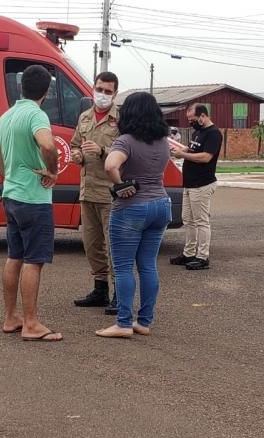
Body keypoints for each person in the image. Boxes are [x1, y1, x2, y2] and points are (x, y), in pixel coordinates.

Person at [0, 65, 63, 342]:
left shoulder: (9, 114)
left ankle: (10, 317)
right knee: (33, 261)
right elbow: (48, 146)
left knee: (14, 256)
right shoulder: (35, 115)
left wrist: (8, 173)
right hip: (34, 199)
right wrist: (52, 171)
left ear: (21, 87)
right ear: (47, 92)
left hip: (11, 195)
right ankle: (31, 324)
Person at [95, 92, 172, 339]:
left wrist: (121, 185)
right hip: (161, 204)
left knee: (123, 267)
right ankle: (144, 321)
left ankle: (124, 322)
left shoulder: (125, 141)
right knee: (148, 265)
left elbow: (110, 165)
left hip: (132, 208)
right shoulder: (163, 140)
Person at [70, 71, 120, 315]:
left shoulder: (120, 119)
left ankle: (120, 293)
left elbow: (127, 151)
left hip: (110, 192)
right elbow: (74, 145)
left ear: (115, 94)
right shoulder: (85, 117)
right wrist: (77, 154)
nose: (102, 94)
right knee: (92, 245)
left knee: (115, 246)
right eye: (99, 89)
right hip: (87, 190)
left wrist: (102, 150)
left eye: (108, 91)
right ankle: (100, 290)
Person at [168, 103, 223, 271]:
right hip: (190, 184)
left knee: (201, 221)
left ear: (202, 116)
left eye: (192, 119)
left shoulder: (213, 134)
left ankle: (202, 257)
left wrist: (182, 154)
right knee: (188, 221)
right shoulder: (198, 132)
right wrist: (179, 149)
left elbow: (206, 157)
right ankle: (189, 253)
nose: (190, 122)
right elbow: (191, 149)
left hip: (202, 184)